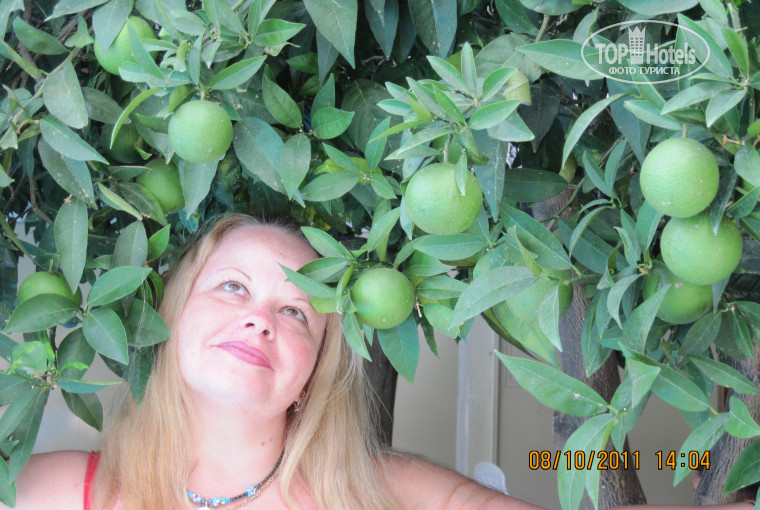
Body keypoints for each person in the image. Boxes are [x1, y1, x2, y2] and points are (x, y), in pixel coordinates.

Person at [5, 214, 757, 510]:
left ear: (313, 369)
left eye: (296, 312)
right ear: (171, 317)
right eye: (232, 286)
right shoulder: (59, 492)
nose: (259, 318)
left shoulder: (367, 491)